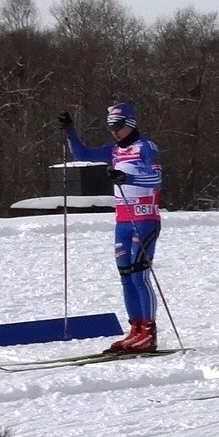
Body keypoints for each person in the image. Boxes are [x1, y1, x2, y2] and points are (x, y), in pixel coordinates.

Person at [59, 103, 164, 354]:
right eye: (110, 128)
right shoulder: (113, 150)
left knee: (140, 276)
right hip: (122, 221)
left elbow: (156, 178)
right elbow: (82, 155)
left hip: (145, 219)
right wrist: (69, 131)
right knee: (126, 277)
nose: (114, 132)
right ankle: (135, 330)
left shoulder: (145, 148)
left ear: (129, 124)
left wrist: (127, 178)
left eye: (118, 127)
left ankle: (148, 333)